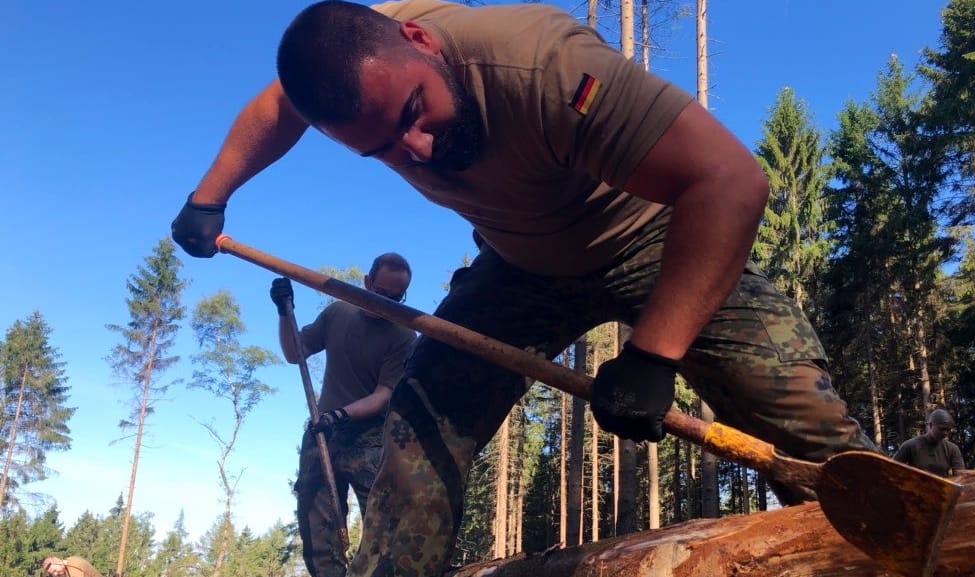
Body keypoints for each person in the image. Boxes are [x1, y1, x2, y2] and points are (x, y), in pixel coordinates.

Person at [171, 1, 876, 574]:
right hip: (521, 264)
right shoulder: (361, 70)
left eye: (415, 112)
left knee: (805, 425)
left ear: (421, 41)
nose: (414, 149)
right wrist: (212, 193)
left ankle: (916, 541)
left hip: (656, 237)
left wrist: (656, 353)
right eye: (381, 146)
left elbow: (730, 181)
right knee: (415, 434)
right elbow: (277, 105)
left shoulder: (542, 63)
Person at [270, 252, 416, 577]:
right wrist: (284, 312)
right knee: (316, 521)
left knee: (382, 521)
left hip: (369, 437)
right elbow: (296, 352)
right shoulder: (338, 313)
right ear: (367, 282)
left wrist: (342, 414)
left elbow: (383, 395)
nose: (386, 303)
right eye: (380, 293)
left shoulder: (404, 337)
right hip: (323, 432)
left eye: (396, 298)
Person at [893, 408, 965, 478]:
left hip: (941, 489)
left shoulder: (952, 449)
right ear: (930, 425)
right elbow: (891, 468)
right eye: (941, 429)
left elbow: (960, 477)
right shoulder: (910, 446)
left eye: (948, 430)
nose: (945, 433)